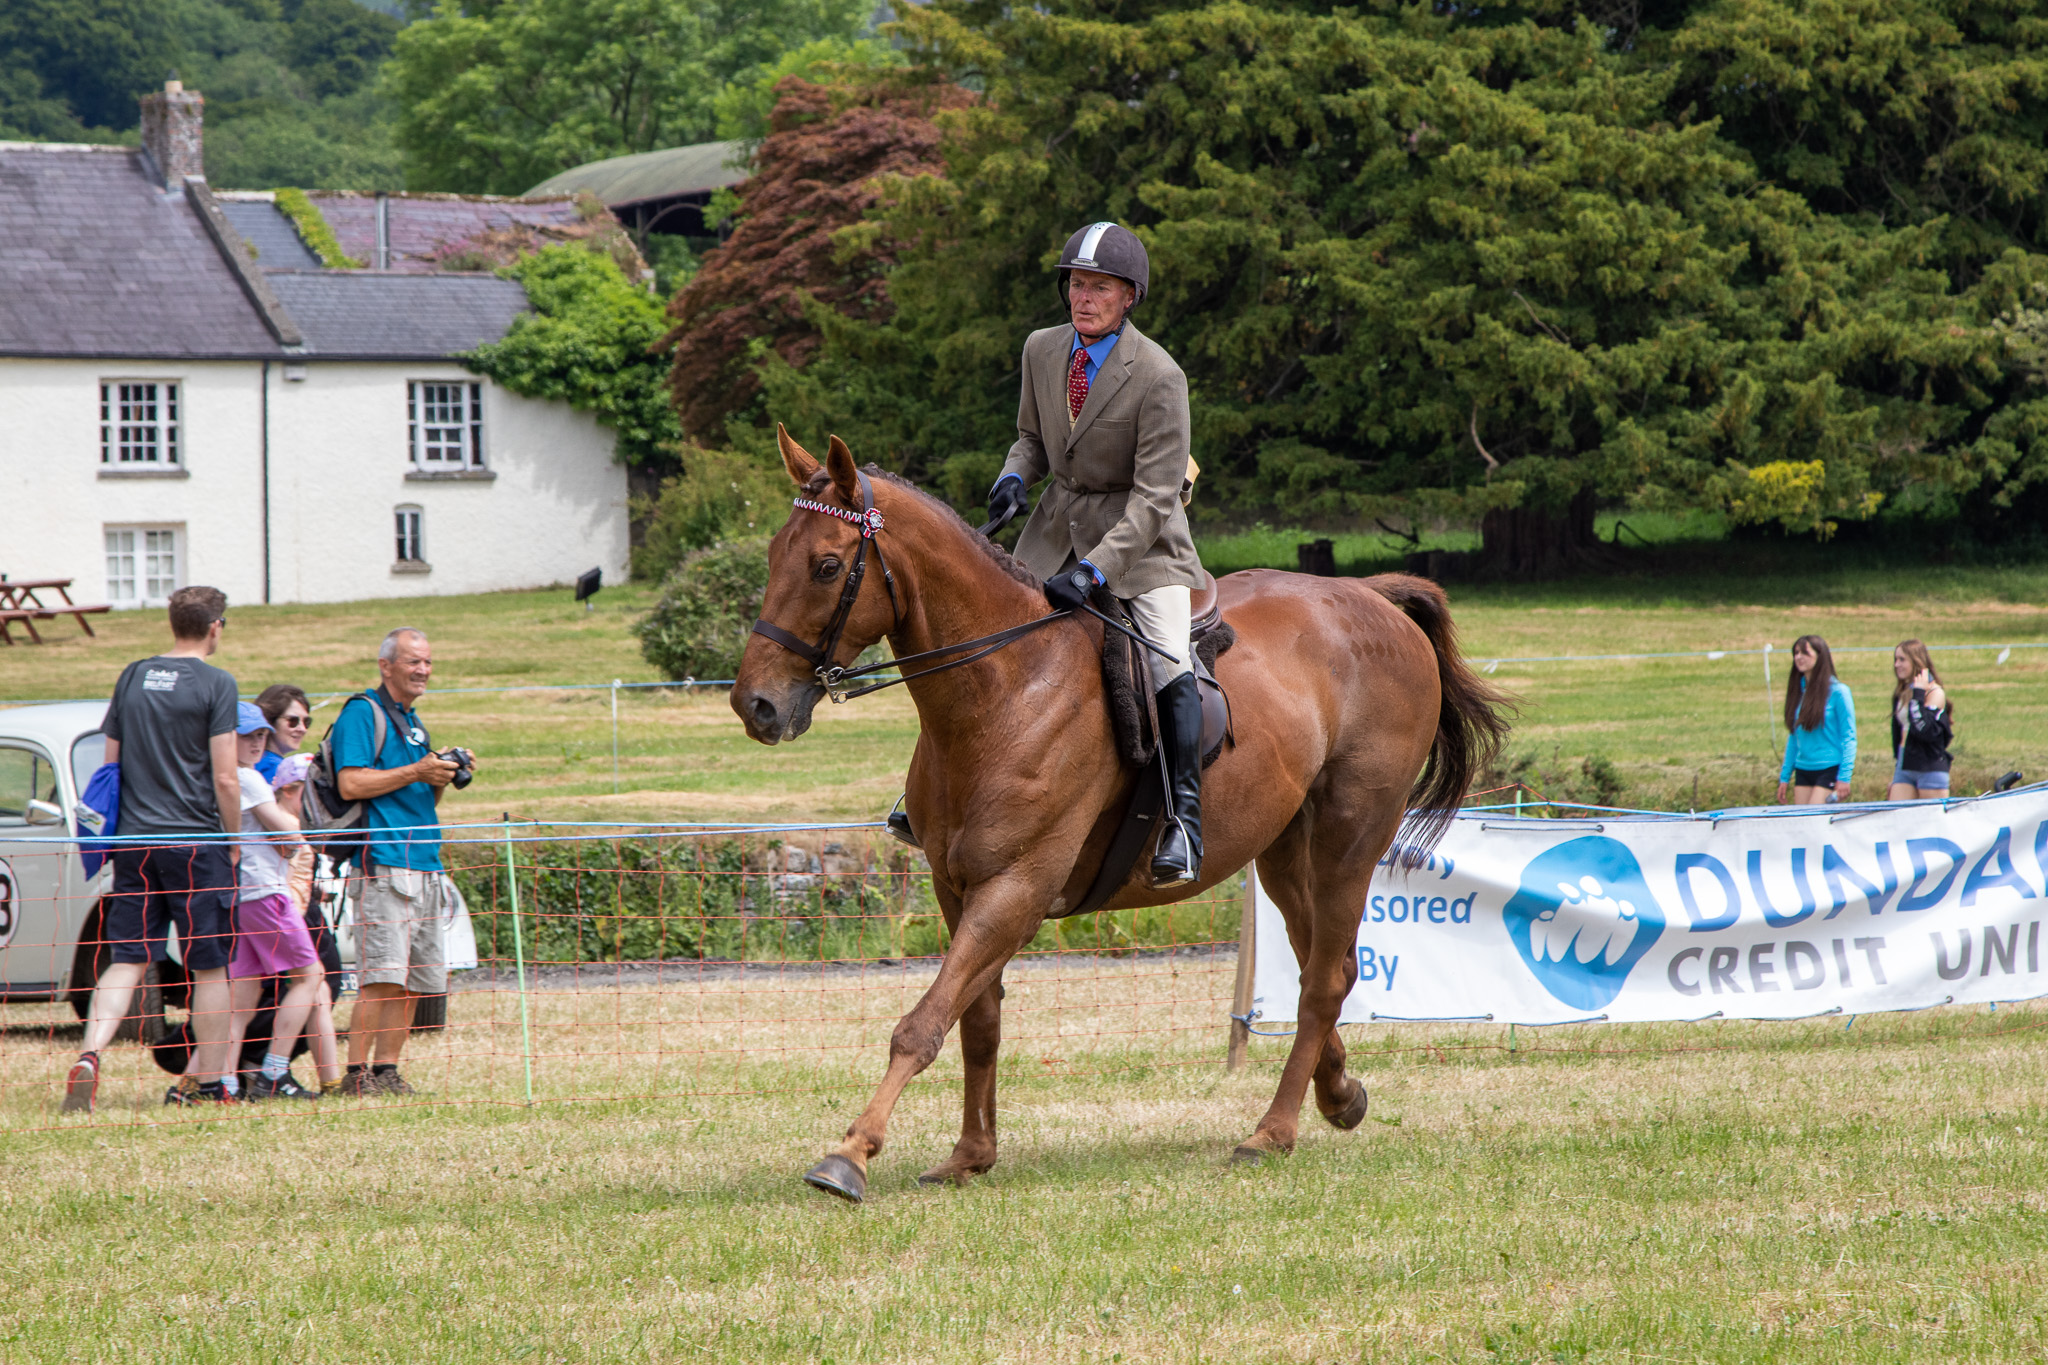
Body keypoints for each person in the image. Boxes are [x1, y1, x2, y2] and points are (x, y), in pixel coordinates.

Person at [986, 221, 1209, 884]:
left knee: (1168, 658)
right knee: (986, 634)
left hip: (1145, 544)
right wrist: (1013, 477)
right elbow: (1031, 438)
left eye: (1100, 288)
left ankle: (1184, 822)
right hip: (1056, 528)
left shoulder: (1160, 375)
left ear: (1128, 296)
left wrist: (1095, 570)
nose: (1084, 298)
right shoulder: (1041, 349)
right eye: (1078, 285)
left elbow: (1155, 496)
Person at [63, 586, 242, 1113]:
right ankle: (211, 1083)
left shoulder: (133, 675)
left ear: (172, 622)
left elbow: (110, 765)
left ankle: (91, 1054)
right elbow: (226, 777)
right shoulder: (218, 683)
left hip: (134, 843)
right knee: (209, 966)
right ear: (215, 627)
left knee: (127, 959)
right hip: (195, 842)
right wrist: (232, 841)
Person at [332, 627, 469, 1097]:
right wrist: (418, 769)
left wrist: (441, 773)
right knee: (382, 977)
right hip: (384, 861)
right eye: (413, 661)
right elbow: (351, 783)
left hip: (426, 862)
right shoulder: (361, 713)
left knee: (412, 980)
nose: (423, 670)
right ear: (385, 665)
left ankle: (387, 1071)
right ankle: (355, 1075)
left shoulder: (413, 722)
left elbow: (420, 795)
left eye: (428, 662)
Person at [224, 703, 322, 1101]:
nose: (256, 743)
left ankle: (224, 1082)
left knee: (242, 997)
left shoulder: (221, 777)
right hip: (264, 891)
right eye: (247, 736)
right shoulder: (246, 777)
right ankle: (274, 1074)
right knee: (309, 976)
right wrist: (301, 835)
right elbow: (288, 832)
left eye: (262, 735)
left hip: (240, 895)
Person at [1776, 634, 1856, 806]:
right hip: (1803, 769)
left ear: (1820, 656)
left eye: (1805, 652)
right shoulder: (1799, 693)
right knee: (1802, 819)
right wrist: (1784, 777)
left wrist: (1844, 777)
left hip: (1829, 768)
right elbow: (1794, 737)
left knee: (1815, 817)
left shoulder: (1839, 692)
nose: (1799, 657)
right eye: (1796, 653)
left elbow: (1849, 737)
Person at [1888, 639, 1953, 800]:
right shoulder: (1903, 692)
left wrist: (1918, 694)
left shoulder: (1934, 692)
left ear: (1916, 661)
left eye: (1902, 659)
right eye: (1896, 659)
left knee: (1930, 816)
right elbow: (1899, 732)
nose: (1896, 665)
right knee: (1897, 814)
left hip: (1929, 766)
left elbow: (1925, 729)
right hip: (1905, 763)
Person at [252, 684, 312, 784]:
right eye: (292, 721)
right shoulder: (274, 768)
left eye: (306, 722)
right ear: (270, 721)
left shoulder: (256, 760)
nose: (302, 729)